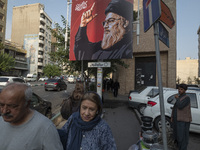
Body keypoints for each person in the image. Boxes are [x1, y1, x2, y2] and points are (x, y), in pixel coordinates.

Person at [0, 83, 63, 150]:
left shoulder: (45, 127)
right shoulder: (1, 121)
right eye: (1, 105)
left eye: (12, 106)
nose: (4, 111)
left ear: (27, 104)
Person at [171, 84, 192, 150]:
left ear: (185, 90)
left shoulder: (186, 98)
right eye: (179, 89)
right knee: (177, 136)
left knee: (182, 137)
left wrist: (177, 99)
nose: (179, 90)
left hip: (183, 121)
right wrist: (172, 117)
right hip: (176, 120)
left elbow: (180, 106)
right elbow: (175, 108)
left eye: (181, 89)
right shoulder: (179, 97)